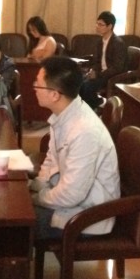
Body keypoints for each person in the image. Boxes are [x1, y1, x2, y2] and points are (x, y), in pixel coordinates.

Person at [31, 56, 120, 239]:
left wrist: (37, 198)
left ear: (55, 94)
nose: (34, 88)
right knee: (17, 211)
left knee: (17, 224)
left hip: (87, 216)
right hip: (71, 202)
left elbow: (72, 195)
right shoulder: (64, 114)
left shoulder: (84, 131)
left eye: (38, 84)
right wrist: (35, 186)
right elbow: (51, 159)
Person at [78, 11, 128, 107]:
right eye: (97, 23)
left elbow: (117, 68)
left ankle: (99, 104)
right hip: (102, 73)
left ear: (110, 26)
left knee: (87, 87)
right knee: (77, 82)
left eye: (101, 24)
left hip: (112, 76)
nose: (97, 26)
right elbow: (97, 61)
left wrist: (98, 74)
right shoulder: (100, 42)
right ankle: (94, 105)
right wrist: (92, 70)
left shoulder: (118, 43)